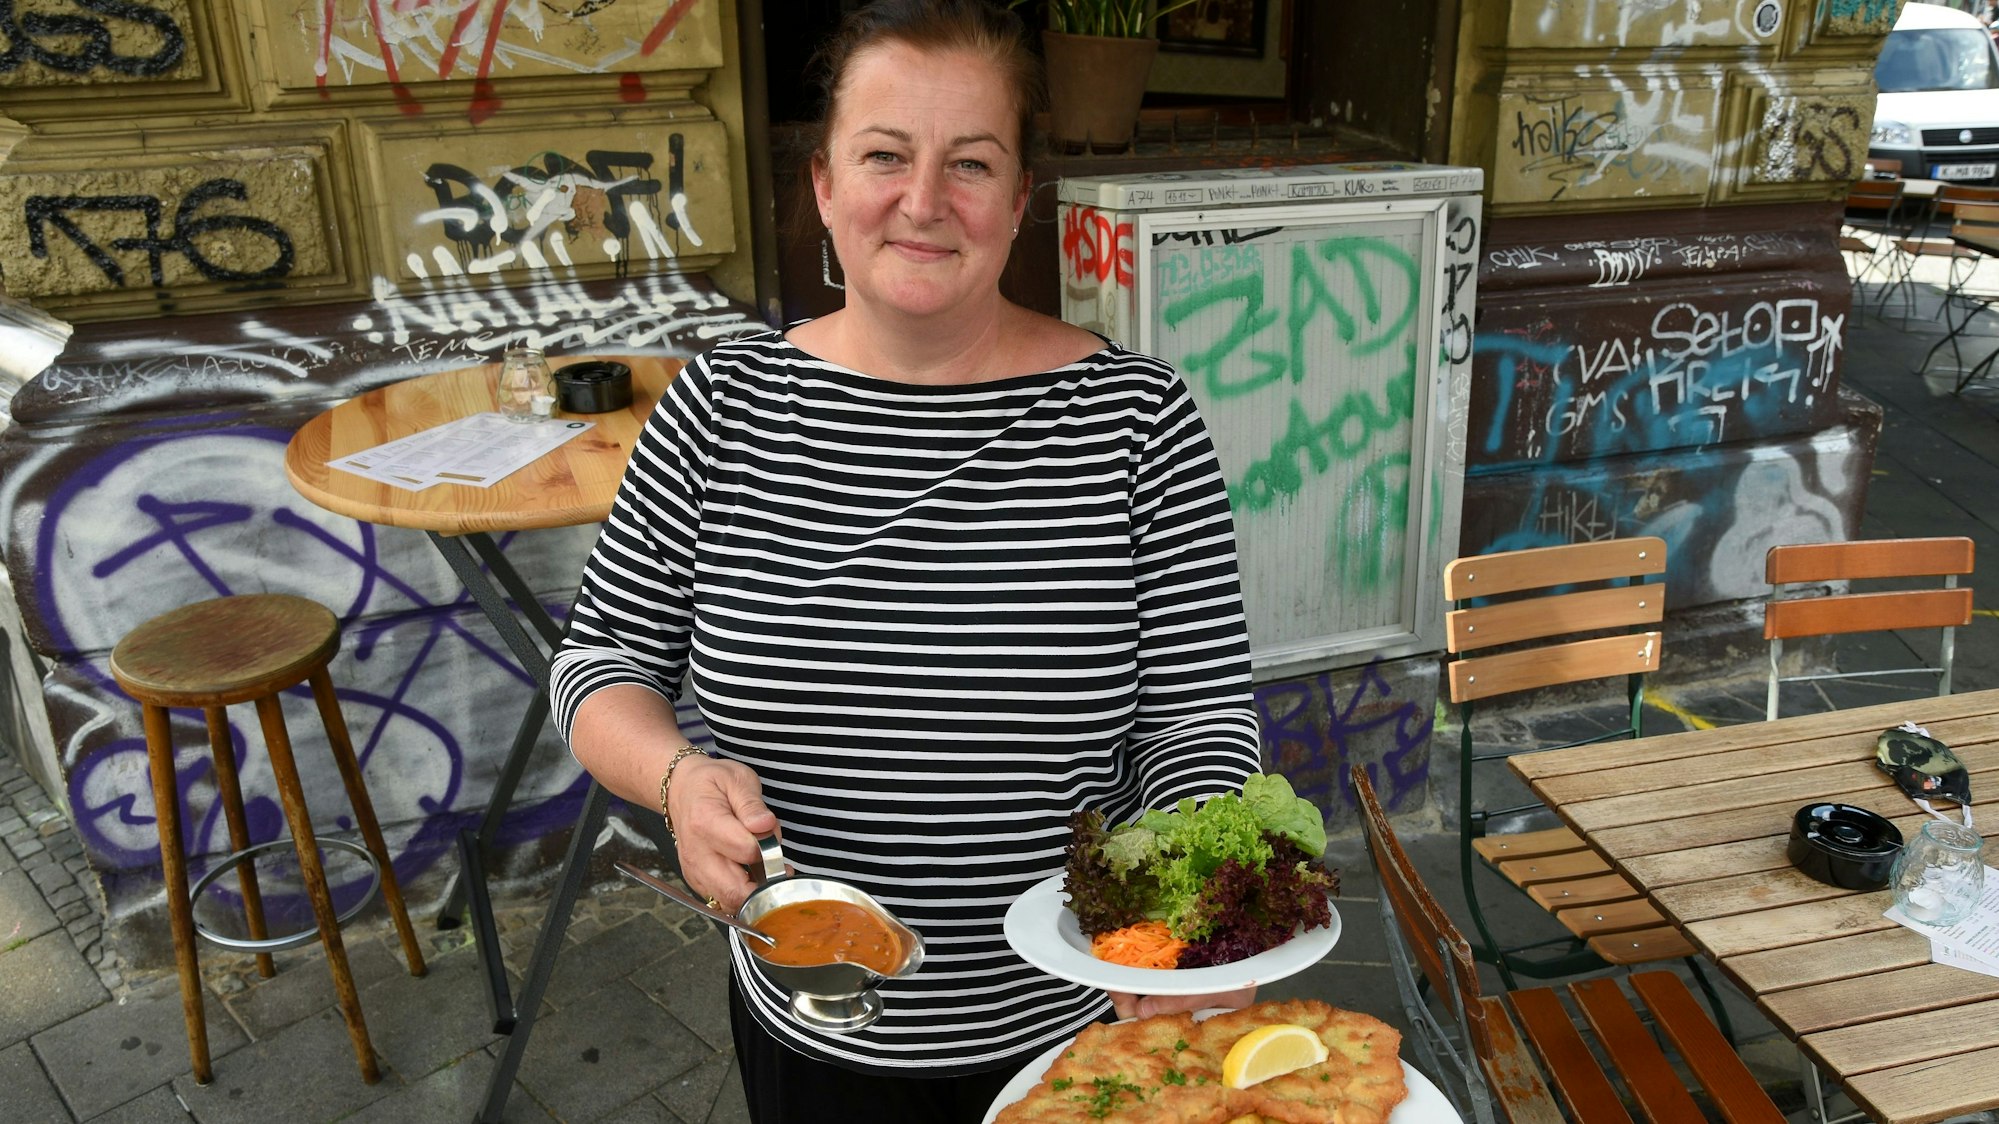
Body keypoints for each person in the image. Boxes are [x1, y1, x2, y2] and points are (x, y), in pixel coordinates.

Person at [548, 2, 1262, 1120]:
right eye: (884, 155)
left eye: (969, 163)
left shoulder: (1136, 418)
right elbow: (598, 662)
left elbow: (1198, 715)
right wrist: (677, 779)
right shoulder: (718, 410)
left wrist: (1186, 917)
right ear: (825, 182)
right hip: (812, 1015)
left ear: (1019, 200)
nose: (923, 201)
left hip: (1077, 1021)